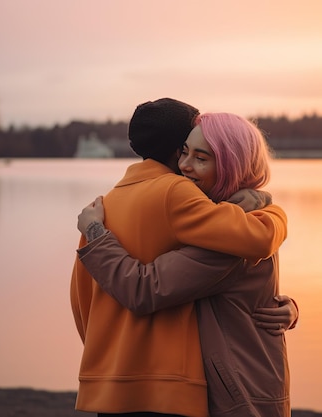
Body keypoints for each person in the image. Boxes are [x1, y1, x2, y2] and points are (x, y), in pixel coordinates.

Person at [70, 99, 292, 417]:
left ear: (232, 164)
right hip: (188, 388)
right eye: (185, 152)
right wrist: (272, 210)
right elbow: (149, 289)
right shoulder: (222, 220)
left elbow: (85, 298)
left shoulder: (110, 202)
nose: (186, 165)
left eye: (200, 157)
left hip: (238, 393)